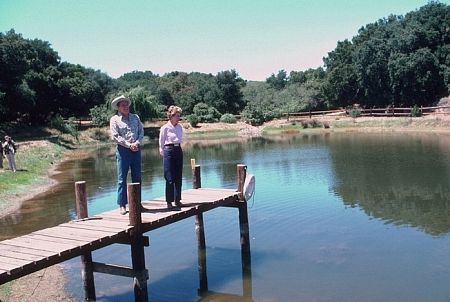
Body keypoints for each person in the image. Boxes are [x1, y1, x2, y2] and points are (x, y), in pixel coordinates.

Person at [110, 95, 144, 215]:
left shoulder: (135, 117)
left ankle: (137, 203)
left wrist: (137, 143)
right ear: (118, 107)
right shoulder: (114, 120)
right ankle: (122, 205)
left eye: (127, 104)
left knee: (137, 177)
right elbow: (115, 136)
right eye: (123, 105)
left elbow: (141, 131)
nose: (126, 107)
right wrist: (129, 145)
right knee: (121, 179)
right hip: (123, 151)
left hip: (136, 150)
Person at [159, 105, 184, 209]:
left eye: (179, 116)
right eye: (177, 116)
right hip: (168, 150)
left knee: (178, 176)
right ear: (171, 116)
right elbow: (161, 142)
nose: (179, 118)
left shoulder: (179, 127)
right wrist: (162, 151)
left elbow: (180, 139)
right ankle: (169, 201)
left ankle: (177, 200)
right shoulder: (165, 128)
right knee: (169, 177)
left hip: (178, 149)